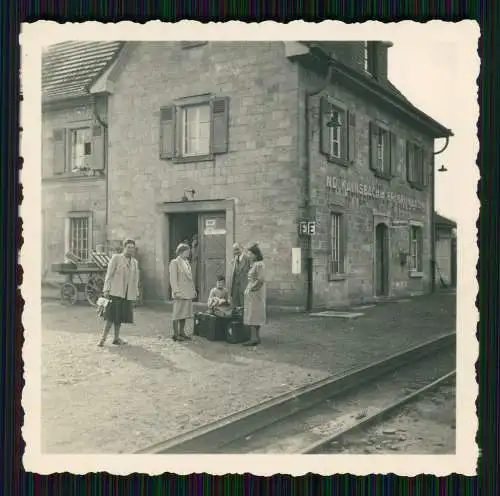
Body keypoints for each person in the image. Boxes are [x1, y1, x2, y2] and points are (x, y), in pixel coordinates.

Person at [98, 239, 140, 346]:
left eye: (132, 248)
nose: (130, 250)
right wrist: (106, 289)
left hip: (126, 293)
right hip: (115, 292)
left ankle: (116, 338)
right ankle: (103, 339)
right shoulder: (116, 258)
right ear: (124, 248)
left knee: (120, 316)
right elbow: (109, 274)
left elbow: (136, 279)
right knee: (110, 316)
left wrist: (135, 293)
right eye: (128, 247)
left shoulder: (135, 262)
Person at [169, 243, 197, 341]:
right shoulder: (175, 262)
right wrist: (176, 291)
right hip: (180, 293)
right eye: (187, 251)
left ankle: (182, 332)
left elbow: (190, 279)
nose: (189, 253)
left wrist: (193, 290)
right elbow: (173, 279)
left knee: (184, 313)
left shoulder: (187, 262)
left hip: (187, 292)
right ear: (181, 252)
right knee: (177, 313)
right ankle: (175, 334)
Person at [243, 243, 267, 346]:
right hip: (255, 293)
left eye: (250, 253)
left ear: (255, 254)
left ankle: (254, 338)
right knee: (254, 314)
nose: (249, 255)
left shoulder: (259, 264)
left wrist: (252, 289)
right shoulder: (256, 264)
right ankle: (256, 337)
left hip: (255, 294)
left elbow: (261, 279)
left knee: (253, 315)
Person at [230, 243, 251, 308]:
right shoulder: (235, 259)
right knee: (235, 307)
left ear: (242, 248)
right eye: (234, 250)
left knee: (244, 306)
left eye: (237, 249)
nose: (236, 251)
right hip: (235, 287)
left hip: (244, 287)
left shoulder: (248, 259)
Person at [191, 233, 199, 300]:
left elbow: (195, 256)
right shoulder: (193, 247)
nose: (194, 240)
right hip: (194, 264)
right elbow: (193, 256)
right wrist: (193, 246)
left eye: (195, 239)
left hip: (198, 264)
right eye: (193, 239)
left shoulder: (198, 247)